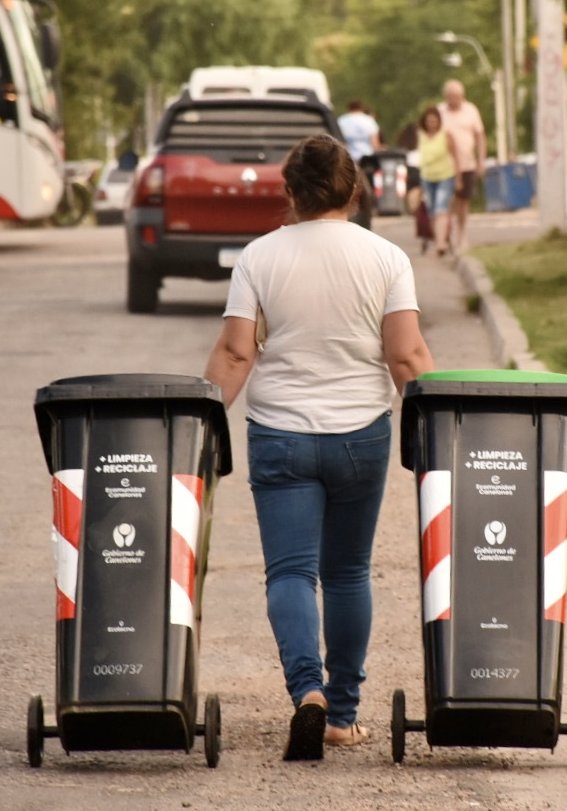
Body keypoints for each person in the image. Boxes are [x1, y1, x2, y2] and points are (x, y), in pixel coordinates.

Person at [203, 134, 435, 762]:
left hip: (279, 434)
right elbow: (407, 355)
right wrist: (438, 433)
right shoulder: (386, 258)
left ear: (290, 192)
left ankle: (307, 692)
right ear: (354, 191)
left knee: (291, 573)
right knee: (348, 572)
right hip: (360, 434)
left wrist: (194, 424)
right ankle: (343, 715)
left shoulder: (259, 257)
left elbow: (235, 352)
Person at [437, 80, 486, 253]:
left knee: (464, 202)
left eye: (456, 97)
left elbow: (480, 136)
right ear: (445, 97)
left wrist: (481, 160)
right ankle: (445, 234)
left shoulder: (471, 110)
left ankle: (462, 236)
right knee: (447, 202)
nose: (453, 100)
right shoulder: (440, 112)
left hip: (467, 163)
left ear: (462, 96)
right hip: (445, 166)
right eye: (450, 97)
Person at [415, 106, 457, 256]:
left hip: (445, 175)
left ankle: (441, 244)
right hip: (427, 177)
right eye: (428, 121)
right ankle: (438, 238)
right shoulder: (421, 135)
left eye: (434, 121)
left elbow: (454, 155)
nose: (431, 124)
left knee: (441, 209)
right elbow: (422, 158)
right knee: (432, 211)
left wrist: (458, 178)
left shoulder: (446, 134)